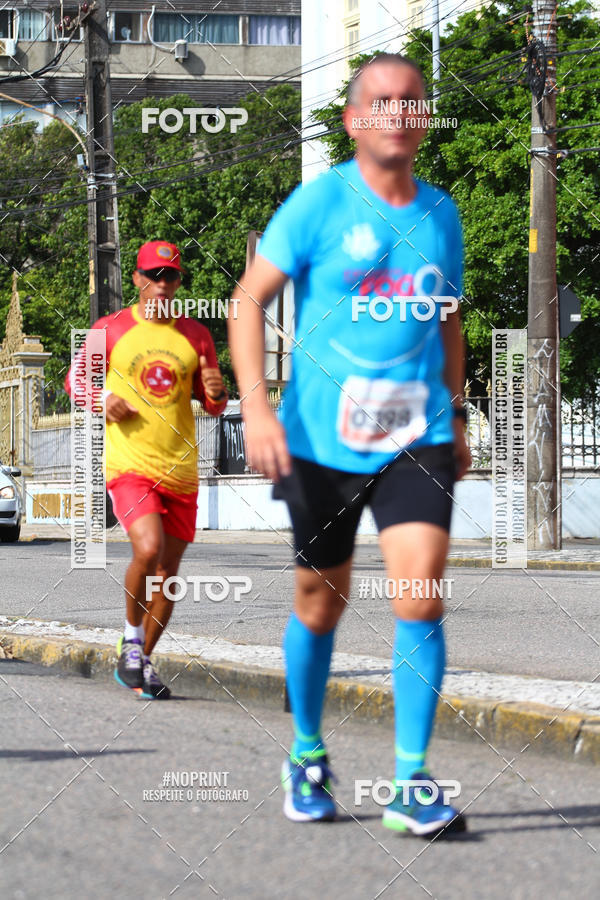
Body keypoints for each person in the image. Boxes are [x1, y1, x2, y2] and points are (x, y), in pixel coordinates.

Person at [228, 54, 470, 834]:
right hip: (319, 444)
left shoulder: (443, 213)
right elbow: (246, 302)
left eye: (412, 102)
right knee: (320, 601)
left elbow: (449, 319)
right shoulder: (318, 203)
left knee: (420, 593)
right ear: (355, 120)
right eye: (383, 102)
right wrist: (258, 410)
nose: (398, 114)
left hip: (417, 436)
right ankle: (305, 753)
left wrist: (458, 414)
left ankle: (410, 782)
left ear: (425, 116)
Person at [66, 240, 228, 699]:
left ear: (178, 282)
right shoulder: (110, 328)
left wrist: (217, 392)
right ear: (136, 279)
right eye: (153, 275)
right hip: (130, 464)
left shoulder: (195, 335)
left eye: (170, 277)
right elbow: (76, 379)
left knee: (169, 574)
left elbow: (213, 405)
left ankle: (140, 659)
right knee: (149, 548)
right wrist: (100, 399)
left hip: (181, 469)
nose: (162, 284)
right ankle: (132, 639)